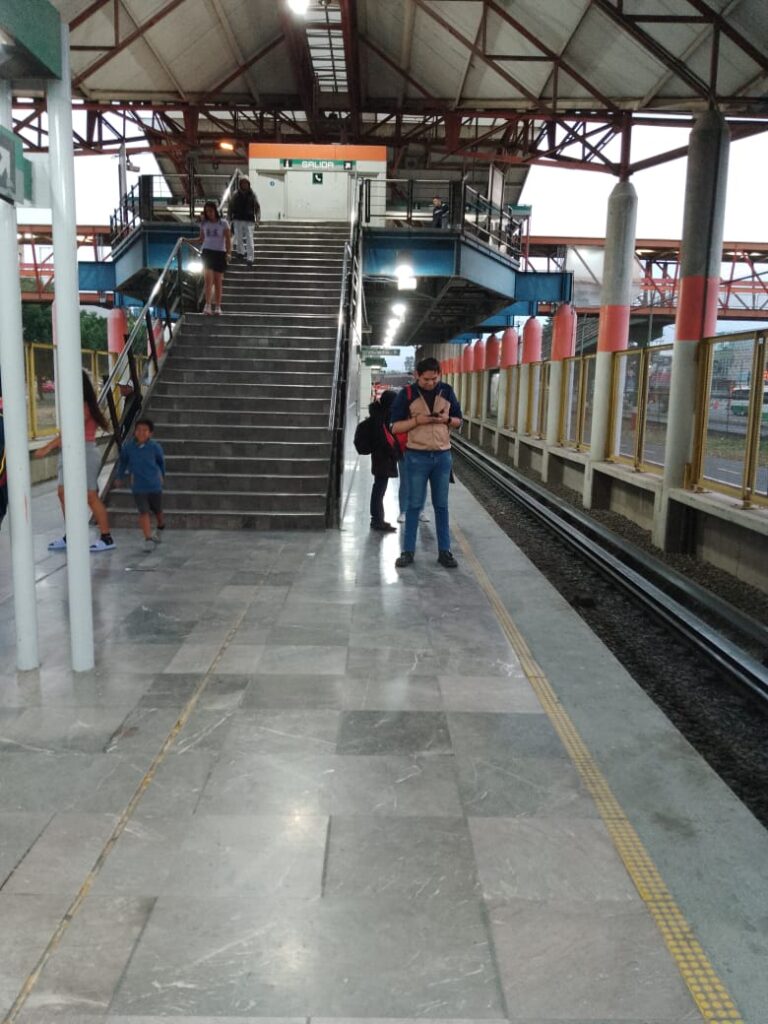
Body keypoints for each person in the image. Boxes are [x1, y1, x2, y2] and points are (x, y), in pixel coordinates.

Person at [390, 356, 463, 569]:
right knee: (413, 505)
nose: (430, 383)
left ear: (439, 375)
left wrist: (446, 420)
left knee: (441, 505)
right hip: (416, 456)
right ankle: (407, 551)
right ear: (417, 376)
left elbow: (459, 421)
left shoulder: (447, 391)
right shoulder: (407, 394)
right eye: (426, 379)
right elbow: (394, 426)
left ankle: (444, 552)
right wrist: (417, 421)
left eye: (434, 379)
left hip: (442, 456)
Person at [35, 369, 116, 552]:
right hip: (68, 451)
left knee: (90, 496)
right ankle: (71, 534)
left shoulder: (85, 406)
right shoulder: (72, 404)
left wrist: (47, 447)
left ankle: (107, 537)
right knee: (62, 492)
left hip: (85, 451)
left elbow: (72, 433)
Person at [115, 417, 166, 553]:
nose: (141, 433)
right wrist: (119, 476)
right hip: (138, 486)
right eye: (138, 430)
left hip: (154, 485)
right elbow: (123, 462)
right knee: (143, 511)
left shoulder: (155, 447)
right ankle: (148, 538)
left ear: (150, 433)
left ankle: (161, 525)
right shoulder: (128, 447)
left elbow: (161, 463)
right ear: (134, 431)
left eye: (145, 430)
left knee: (157, 510)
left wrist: (162, 475)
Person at [366, 390, 400, 533]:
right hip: (383, 458)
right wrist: (394, 453)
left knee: (379, 488)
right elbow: (386, 440)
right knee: (379, 489)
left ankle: (378, 519)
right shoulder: (383, 418)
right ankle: (377, 520)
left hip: (380, 458)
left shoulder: (379, 415)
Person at [193, 200, 231, 316]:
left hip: (220, 253)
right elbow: (201, 239)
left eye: (211, 211)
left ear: (215, 211)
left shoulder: (223, 223)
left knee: (218, 281)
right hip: (207, 252)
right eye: (207, 211)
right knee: (208, 279)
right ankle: (208, 305)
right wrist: (187, 240)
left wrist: (228, 253)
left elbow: (228, 239)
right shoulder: (204, 224)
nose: (209, 213)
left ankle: (218, 306)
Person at [228, 177, 260, 266]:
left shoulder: (253, 195)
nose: (244, 185)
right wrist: (229, 218)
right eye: (242, 183)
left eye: (246, 183)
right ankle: (241, 252)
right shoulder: (235, 194)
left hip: (249, 220)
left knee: (249, 239)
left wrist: (257, 220)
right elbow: (230, 207)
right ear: (240, 184)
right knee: (238, 237)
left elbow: (257, 208)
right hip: (237, 218)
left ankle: (250, 258)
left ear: (248, 184)